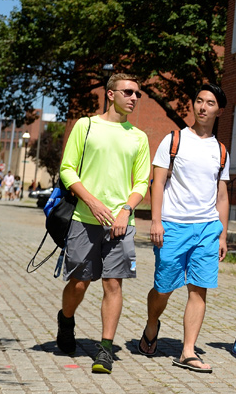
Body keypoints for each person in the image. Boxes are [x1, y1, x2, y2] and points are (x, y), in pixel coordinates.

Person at [55, 73, 151, 374]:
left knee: (113, 282)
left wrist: (126, 210)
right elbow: (67, 170)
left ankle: (105, 349)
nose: (134, 98)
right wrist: (92, 202)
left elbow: (142, 181)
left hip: (121, 222)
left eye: (137, 94)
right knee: (80, 283)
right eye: (128, 92)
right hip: (85, 218)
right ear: (111, 94)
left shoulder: (139, 137)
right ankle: (66, 320)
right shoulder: (86, 126)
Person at [137, 84, 230, 373]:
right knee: (163, 288)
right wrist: (156, 221)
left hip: (206, 228)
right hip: (173, 226)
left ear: (219, 110)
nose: (203, 107)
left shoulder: (221, 150)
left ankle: (188, 351)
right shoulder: (174, 140)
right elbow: (158, 183)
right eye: (199, 101)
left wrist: (223, 233)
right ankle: (152, 324)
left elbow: (222, 195)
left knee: (198, 290)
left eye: (210, 102)